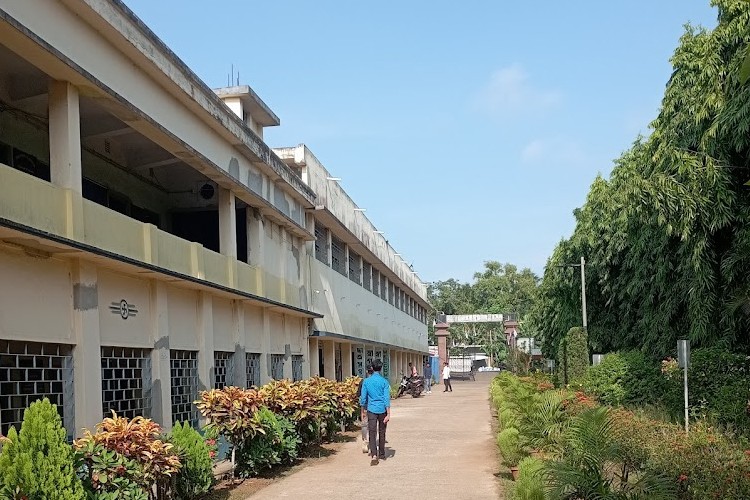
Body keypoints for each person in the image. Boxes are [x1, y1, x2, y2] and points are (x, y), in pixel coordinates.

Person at [359, 358, 391, 465]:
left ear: (372, 368)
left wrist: (363, 410)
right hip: (382, 410)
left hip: (371, 409)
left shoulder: (366, 382)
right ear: (381, 369)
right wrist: (389, 413)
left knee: (372, 432)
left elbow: (363, 398)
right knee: (382, 431)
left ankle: (373, 454)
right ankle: (382, 453)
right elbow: (386, 398)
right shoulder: (384, 382)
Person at [356, 363, 374, 453]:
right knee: (373, 425)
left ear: (367, 371)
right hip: (374, 406)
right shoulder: (377, 381)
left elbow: (358, 394)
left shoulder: (363, 382)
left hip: (365, 406)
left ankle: (364, 441)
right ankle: (372, 442)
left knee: (364, 424)